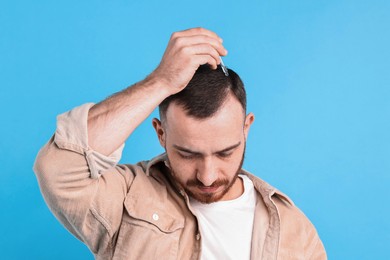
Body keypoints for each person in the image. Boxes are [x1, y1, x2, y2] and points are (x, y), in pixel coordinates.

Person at [34, 27, 326, 259]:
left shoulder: (294, 230)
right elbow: (58, 168)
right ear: (161, 133)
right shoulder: (126, 198)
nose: (208, 176)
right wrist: (160, 82)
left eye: (225, 152)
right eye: (188, 154)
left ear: (246, 128)